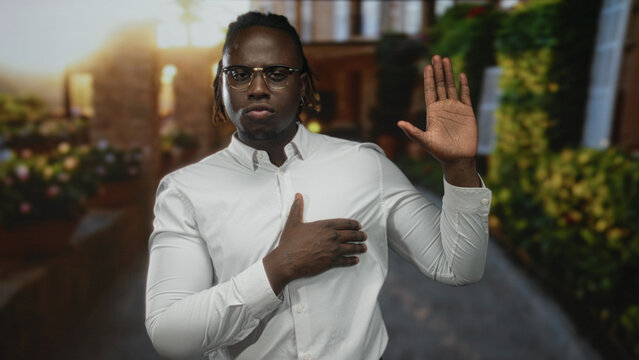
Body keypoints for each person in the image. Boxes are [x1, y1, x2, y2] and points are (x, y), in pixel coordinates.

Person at [145, 11, 491, 360]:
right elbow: (171, 335)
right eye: (239, 74)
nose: (258, 88)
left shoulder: (364, 166)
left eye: (278, 74)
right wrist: (279, 267)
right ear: (221, 85)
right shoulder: (186, 190)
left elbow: (457, 266)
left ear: (304, 86)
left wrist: (459, 167)